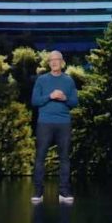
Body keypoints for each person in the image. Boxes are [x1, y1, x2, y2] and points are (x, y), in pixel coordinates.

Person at [30, 50, 78, 204]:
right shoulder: (41, 80)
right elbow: (35, 101)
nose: (54, 62)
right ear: (49, 63)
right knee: (40, 157)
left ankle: (64, 192)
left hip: (64, 123)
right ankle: (38, 192)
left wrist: (64, 98)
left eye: (57, 59)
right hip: (45, 123)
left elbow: (74, 102)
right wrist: (50, 96)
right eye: (51, 60)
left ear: (62, 62)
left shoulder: (69, 80)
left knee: (64, 158)